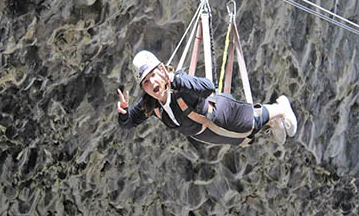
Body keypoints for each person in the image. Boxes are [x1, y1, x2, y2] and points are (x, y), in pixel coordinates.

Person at [117, 50, 297, 146]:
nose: (152, 83)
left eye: (154, 74)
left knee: (251, 124)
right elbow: (128, 124)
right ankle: (274, 121)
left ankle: (281, 107)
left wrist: (176, 81)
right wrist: (124, 113)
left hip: (221, 113)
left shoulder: (180, 83)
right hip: (206, 132)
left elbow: (208, 87)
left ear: (162, 69)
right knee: (246, 138)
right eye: (146, 82)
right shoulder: (150, 103)